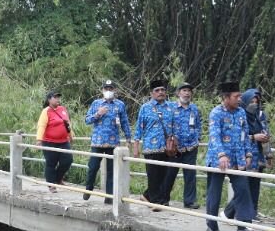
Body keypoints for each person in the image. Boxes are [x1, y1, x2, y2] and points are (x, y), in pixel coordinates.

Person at [204, 80, 259, 231]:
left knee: (243, 191)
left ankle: (242, 228)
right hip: (218, 160)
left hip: (238, 160)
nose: (240, 99)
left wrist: (248, 154)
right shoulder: (216, 113)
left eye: (240, 96)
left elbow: (245, 134)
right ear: (226, 97)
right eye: (236, 96)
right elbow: (214, 136)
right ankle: (212, 225)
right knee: (214, 193)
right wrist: (221, 155)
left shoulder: (241, 112)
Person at [224, 88, 270, 222]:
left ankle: (252, 213)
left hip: (259, 157)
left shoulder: (260, 116)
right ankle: (229, 212)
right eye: (251, 101)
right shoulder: (240, 114)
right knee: (244, 188)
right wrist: (254, 137)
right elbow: (238, 137)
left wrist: (269, 155)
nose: (254, 104)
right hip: (246, 156)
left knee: (255, 186)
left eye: (256, 101)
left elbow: (265, 134)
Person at [83, 79, 132, 203]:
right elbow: (87, 120)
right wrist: (98, 114)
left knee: (112, 171)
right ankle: (88, 189)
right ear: (102, 90)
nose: (108, 91)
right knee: (92, 167)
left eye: (111, 89)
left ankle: (109, 197)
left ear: (114, 90)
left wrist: (128, 138)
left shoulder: (120, 105)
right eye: (106, 89)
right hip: (97, 142)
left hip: (113, 143)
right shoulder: (96, 103)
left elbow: (125, 122)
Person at [133, 77, 179, 207]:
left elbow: (175, 125)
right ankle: (156, 203)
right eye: (157, 90)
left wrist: (175, 139)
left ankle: (147, 196)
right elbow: (139, 128)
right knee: (153, 176)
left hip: (167, 148)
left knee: (164, 176)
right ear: (152, 93)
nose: (160, 92)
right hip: (150, 147)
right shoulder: (145, 108)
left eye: (163, 90)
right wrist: (136, 147)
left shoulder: (171, 107)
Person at [35, 90, 75, 190]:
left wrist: (71, 135)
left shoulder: (63, 109)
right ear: (49, 100)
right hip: (49, 142)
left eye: (58, 97)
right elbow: (41, 126)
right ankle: (51, 184)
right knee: (51, 163)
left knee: (68, 161)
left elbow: (67, 124)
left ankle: (57, 179)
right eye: (55, 97)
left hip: (63, 141)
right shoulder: (46, 111)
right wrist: (39, 140)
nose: (58, 99)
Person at [171, 82, 202, 208]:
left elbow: (198, 125)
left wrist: (197, 138)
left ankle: (189, 201)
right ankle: (163, 199)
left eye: (189, 91)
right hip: (174, 148)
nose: (187, 93)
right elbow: (168, 125)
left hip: (191, 147)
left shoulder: (194, 109)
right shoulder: (171, 108)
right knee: (170, 173)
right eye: (184, 90)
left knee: (190, 175)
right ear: (178, 93)